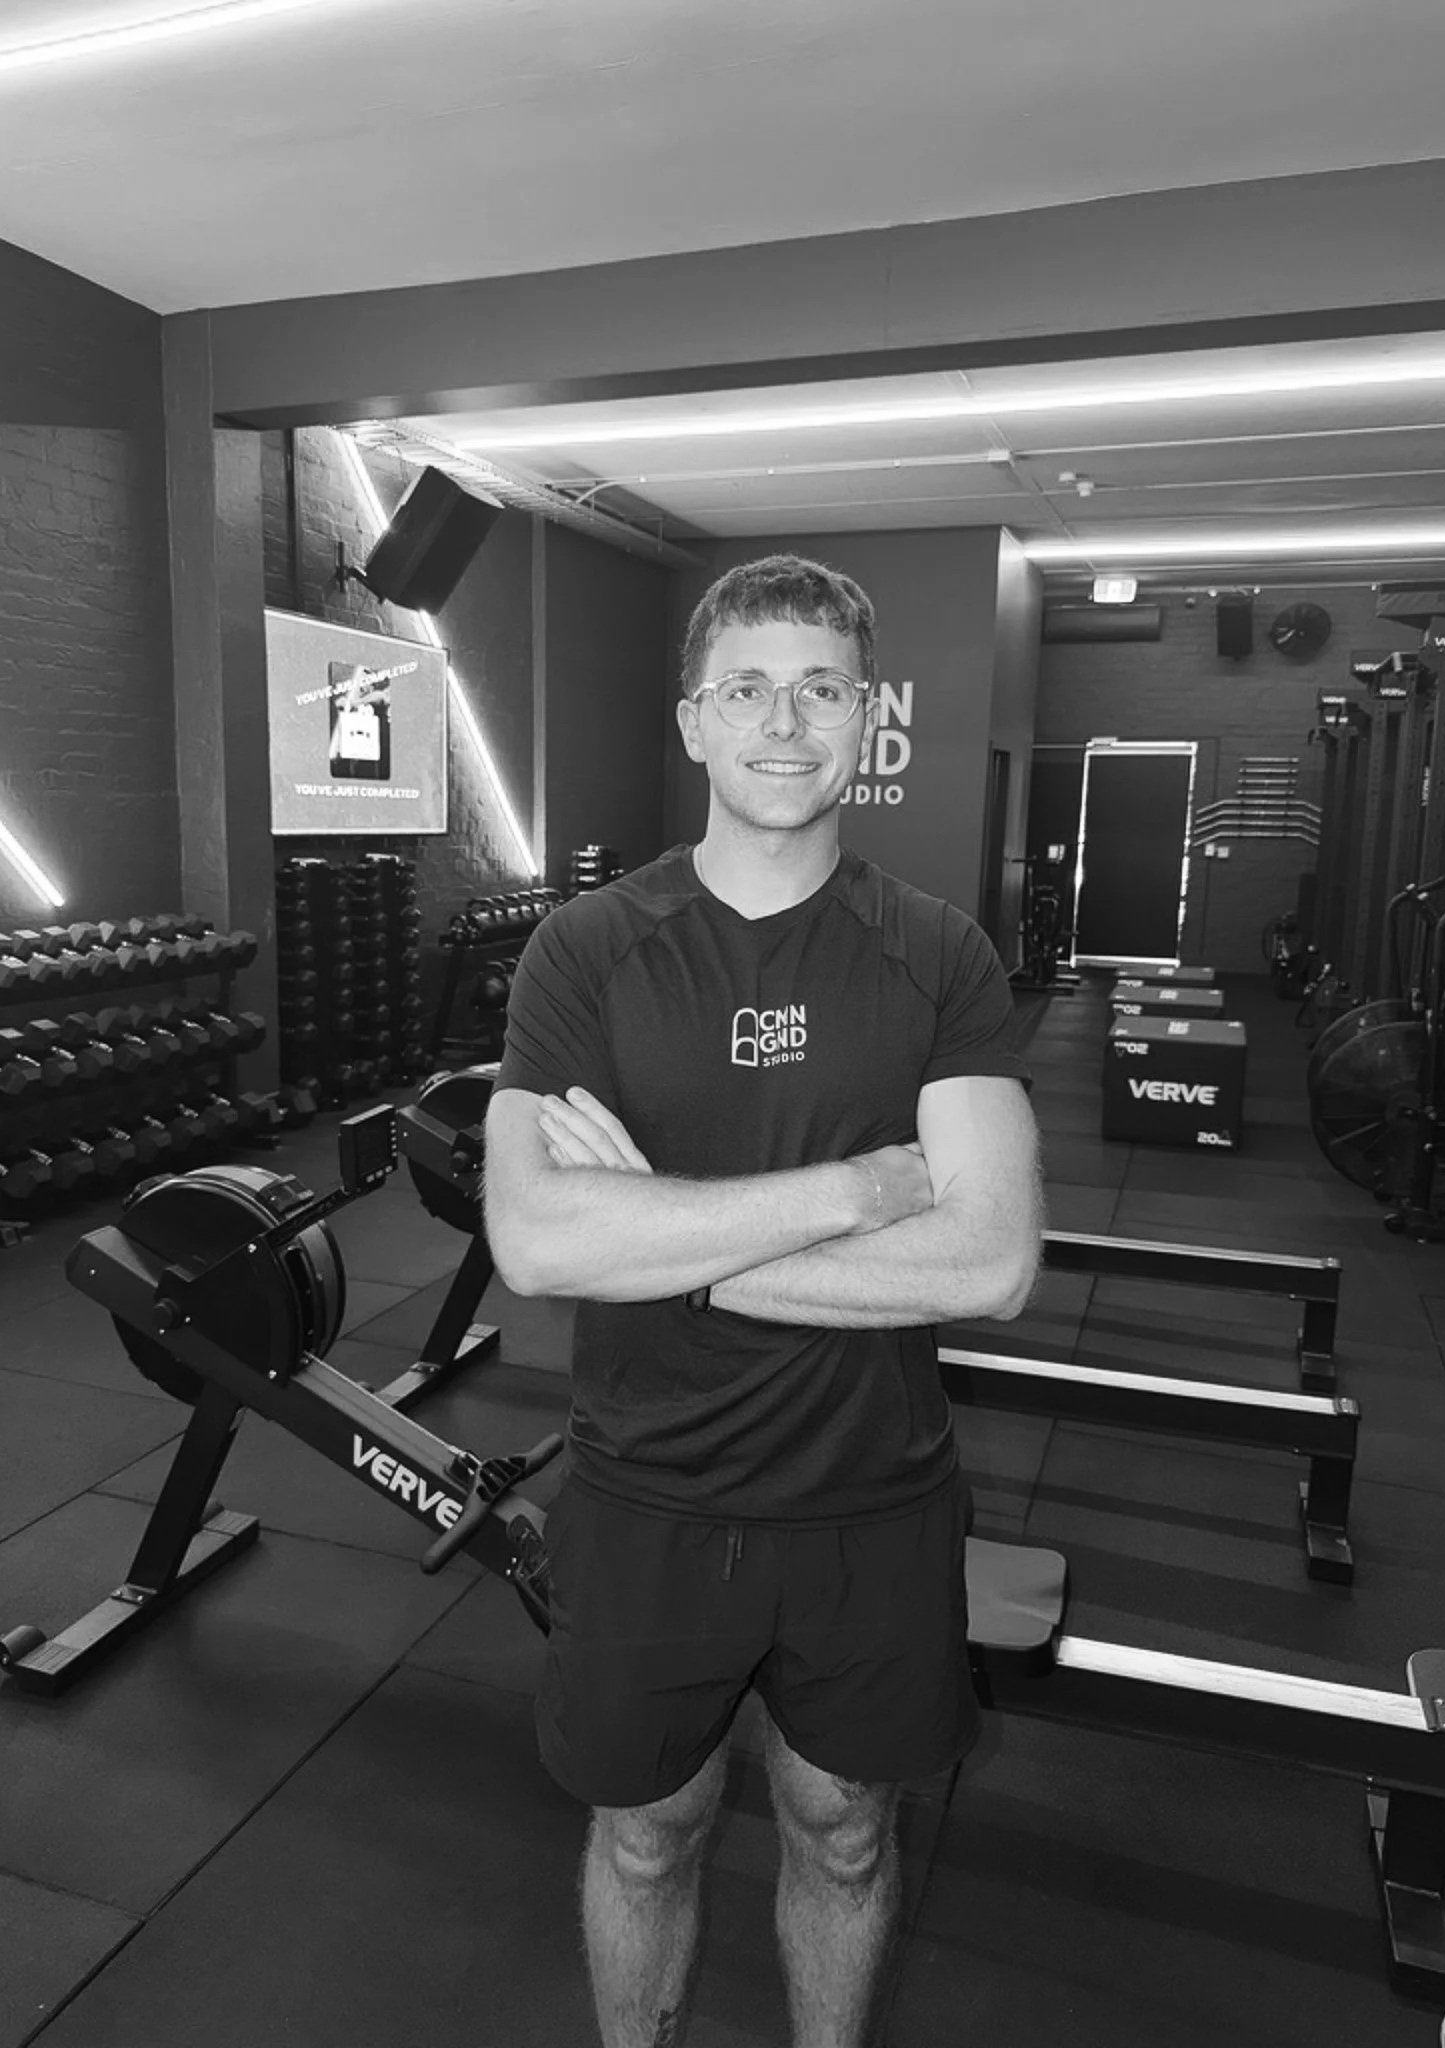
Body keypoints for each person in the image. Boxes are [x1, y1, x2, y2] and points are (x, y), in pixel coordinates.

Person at [484, 553, 1042, 2048]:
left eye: (819, 690)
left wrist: (657, 1230)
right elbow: (534, 1241)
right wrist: (859, 1189)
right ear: (693, 722)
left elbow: (989, 1261)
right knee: (644, 1835)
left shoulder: (937, 952)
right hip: (647, 1492)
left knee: (845, 1832)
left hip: (872, 1494)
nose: (783, 723)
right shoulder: (588, 950)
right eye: (747, 689)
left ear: (866, 716)